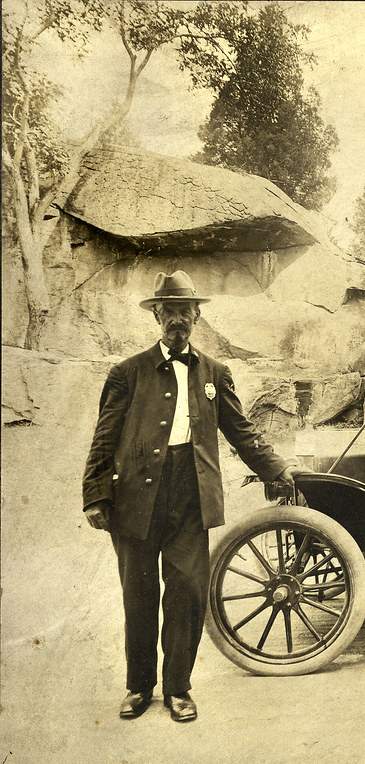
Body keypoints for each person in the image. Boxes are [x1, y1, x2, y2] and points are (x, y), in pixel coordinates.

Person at [82, 270, 303, 723]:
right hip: (135, 500)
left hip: (190, 498)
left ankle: (178, 688)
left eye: (185, 311)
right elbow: (104, 437)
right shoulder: (127, 373)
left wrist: (276, 469)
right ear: (156, 316)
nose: (176, 320)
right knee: (138, 594)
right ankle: (139, 687)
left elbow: (241, 431)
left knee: (185, 593)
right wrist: (95, 495)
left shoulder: (215, 373)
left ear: (197, 316)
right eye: (169, 312)